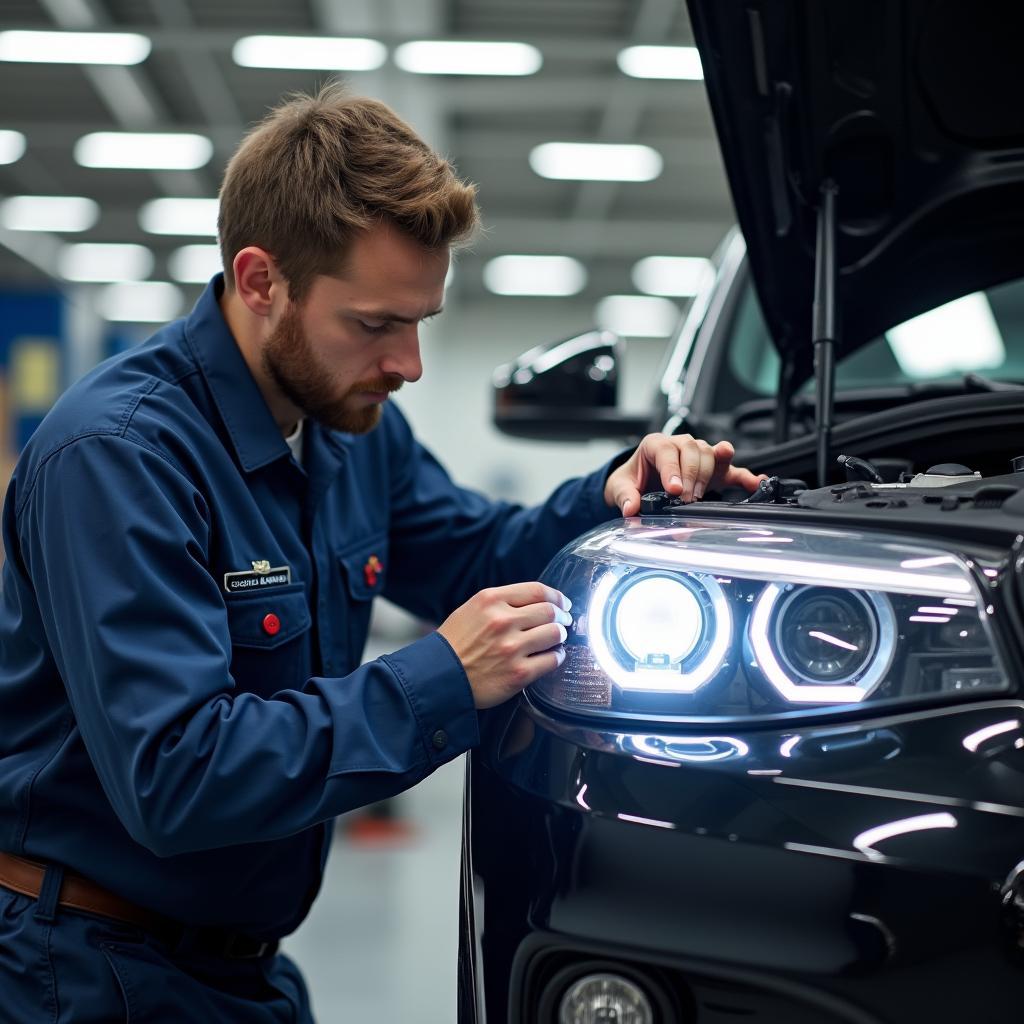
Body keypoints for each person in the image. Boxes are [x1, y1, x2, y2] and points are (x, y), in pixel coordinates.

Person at [0, 86, 762, 1022]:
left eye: (419, 323)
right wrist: (442, 677)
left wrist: (619, 490)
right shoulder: (120, 456)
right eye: (372, 324)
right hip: (84, 972)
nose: (408, 364)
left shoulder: (348, 430)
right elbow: (177, 775)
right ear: (259, 281)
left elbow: (480, 552)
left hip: (238, 970)